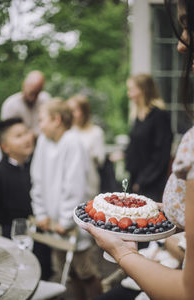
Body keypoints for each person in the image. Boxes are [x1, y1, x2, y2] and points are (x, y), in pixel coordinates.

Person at [81, 1, 194, 299]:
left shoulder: (162, 119)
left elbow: (187, 290)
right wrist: (152, 208)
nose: (181, 44)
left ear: (142, 89)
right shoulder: (137, 115)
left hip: (151, 178)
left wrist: (122, 253)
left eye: (187, 24)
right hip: (139, 181)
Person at [30, 99, 102, 300]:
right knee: (67, 272)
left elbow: (75, 186)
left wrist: (66, 220)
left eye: (42, 120)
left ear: (57, 120)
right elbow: (37, 178)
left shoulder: (73, 142)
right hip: (52, 223)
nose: (39, 125)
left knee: (85, 271)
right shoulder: (44, 141)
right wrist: (41, 213)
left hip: (71, 222)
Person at [0, 118, 52, 280]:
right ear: (5, 147)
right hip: (14, 236)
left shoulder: (39, 164)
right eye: (19, 136)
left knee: (45, 273)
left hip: (42, 232)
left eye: (27, 132)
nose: (27, 138)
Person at [125, 73, 173, 202]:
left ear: (143, 90)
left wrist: (143, 180)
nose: (129, 94)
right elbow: (136, 145)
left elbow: (161, 154)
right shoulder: (138, 117)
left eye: (132, 90)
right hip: (136, 180)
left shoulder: (159, 116)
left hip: (152, 184)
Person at [67, 94, 107, 198]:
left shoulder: (96, 133)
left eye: (75, 110)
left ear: (84, 112)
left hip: (89, 184)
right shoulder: (67, 132)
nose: (71, 114)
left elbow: (100, 161)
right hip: (69, 185)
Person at [1, 70, 51, 137]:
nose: (33, 98)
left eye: (37, 93)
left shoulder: (45, 99)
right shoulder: (10, 105)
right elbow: (8, 133)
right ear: (24, 85)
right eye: (31, 93)